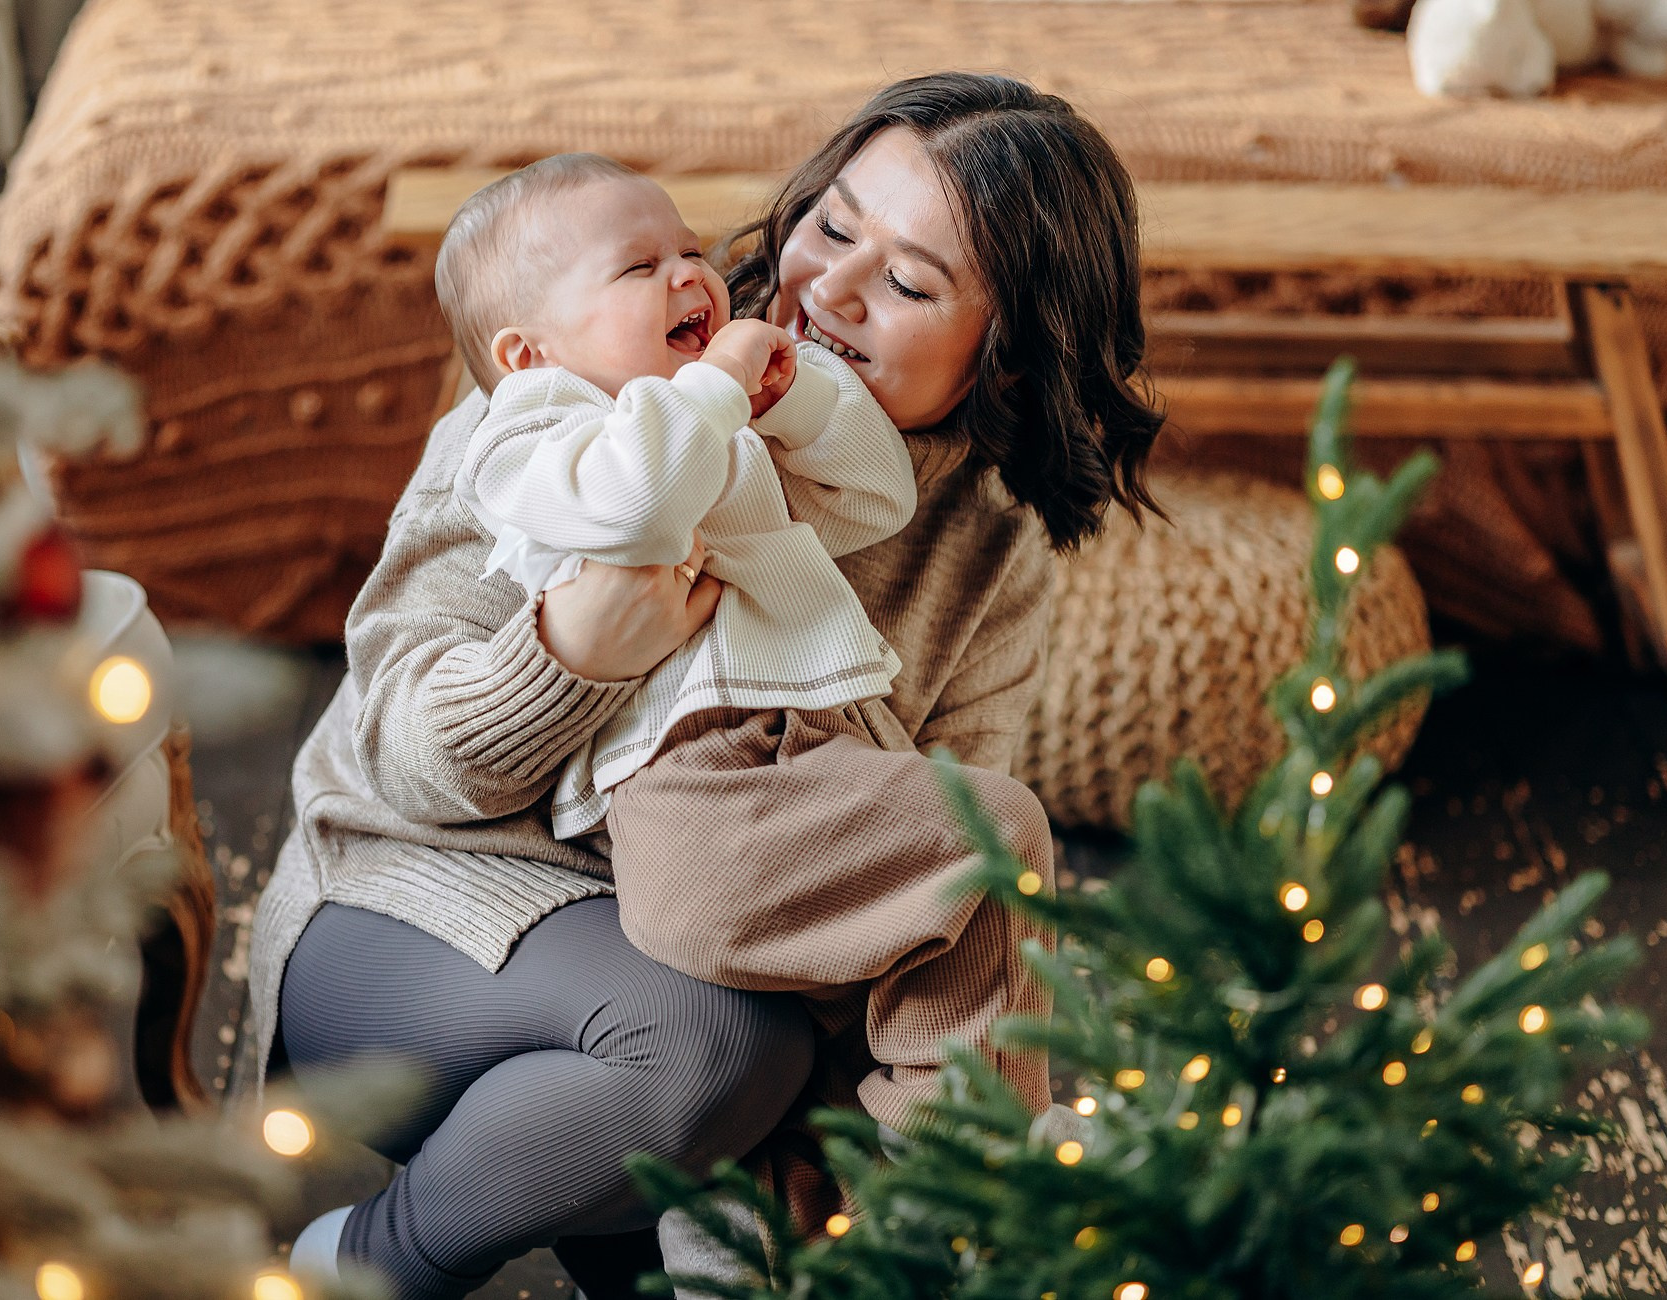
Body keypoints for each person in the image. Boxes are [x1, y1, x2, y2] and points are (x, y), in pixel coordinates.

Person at [250, 71, 1163, 1300]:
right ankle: (366, 1261)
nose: (828, 289)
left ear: (1003, 360)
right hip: (420, 898)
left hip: (694, 954)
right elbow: (400, 753)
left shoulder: (986, 549)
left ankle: (925, 1210)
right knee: (717, 1039)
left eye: (905, 281)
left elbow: (889, 915)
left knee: (772, 1122)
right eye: (831, 229)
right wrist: (573, 653)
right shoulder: (598, 373)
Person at [440, 150, 1061, 1146]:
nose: (690, 274)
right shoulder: (534, 435)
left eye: (688, 248)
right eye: (639, 268)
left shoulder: (714, 423)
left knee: (788, 1132)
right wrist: (719, 388)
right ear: (528, 353)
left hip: (808, 764)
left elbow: (874, 496)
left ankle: (878, 1182)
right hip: (698, 797)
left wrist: (796, 400)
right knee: (996, 833)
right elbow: (636, 503)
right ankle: (961, 1164)